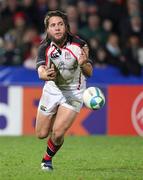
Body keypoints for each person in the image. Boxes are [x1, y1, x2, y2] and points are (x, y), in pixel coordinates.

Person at [35, 10, 93, 171]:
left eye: (60, 24)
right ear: (48, 30)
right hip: (52, 90)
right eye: (53, 25)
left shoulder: (79, 44)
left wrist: (83, 63)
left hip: (74, 92)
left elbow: (90, 72)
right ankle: (54, 117)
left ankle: (47, 160)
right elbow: (40, 70)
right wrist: (45, 74)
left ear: (66, 27)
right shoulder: (44, 47)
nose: (57, 28)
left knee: (58, 132)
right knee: (41, 134)